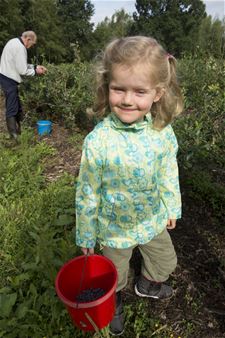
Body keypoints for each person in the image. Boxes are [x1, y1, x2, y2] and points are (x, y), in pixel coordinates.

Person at [75, 36, 183, 336]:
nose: (127, 99)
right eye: (118, 89)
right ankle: (115, 302)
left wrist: (171, 205)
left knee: (165, 261)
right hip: (114, 228)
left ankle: (148, 284)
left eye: (139, 91)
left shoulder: (161, 132)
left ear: (158, 93)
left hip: (151, 217)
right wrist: (86, 231)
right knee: (113, 275)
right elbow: (87, 192)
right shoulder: (99, 141)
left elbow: (167, 170)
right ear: (107, 86)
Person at [0, 31, 47, 139]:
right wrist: (36, 72)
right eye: (32, 44)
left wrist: (35, 66)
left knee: (16, 104)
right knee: (12, 106)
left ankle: (21, 129)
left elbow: (20, 64)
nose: (31, 46)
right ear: (28, 39)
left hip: (5, 76)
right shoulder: (21, 48)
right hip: (9, 79)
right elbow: (22, 70)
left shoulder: (13, 42)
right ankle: (13, 135)